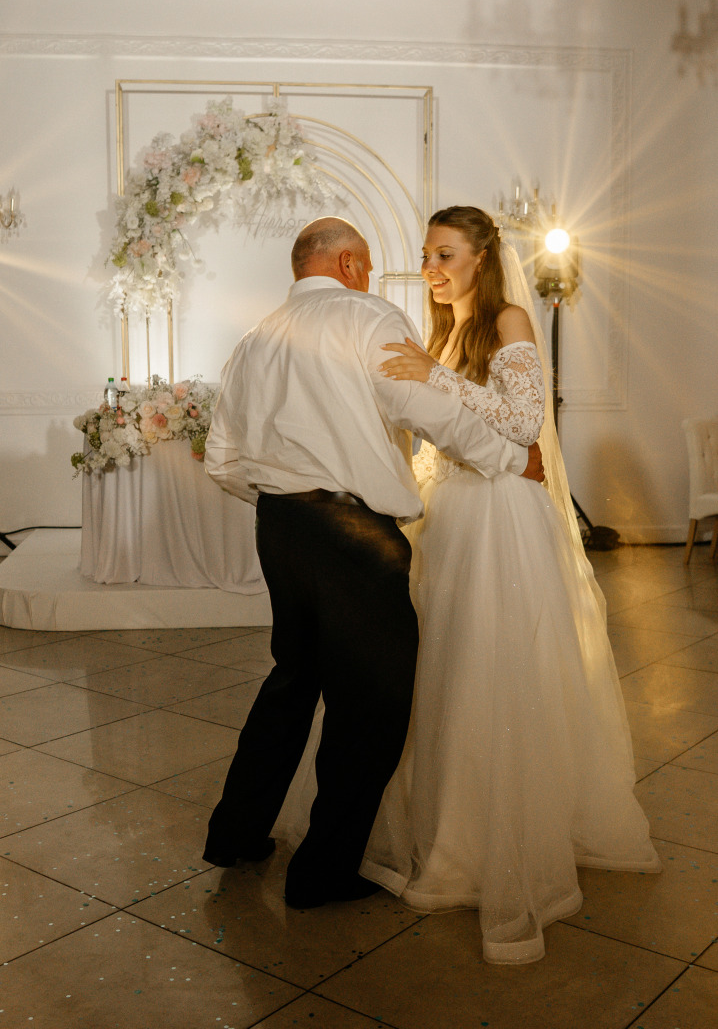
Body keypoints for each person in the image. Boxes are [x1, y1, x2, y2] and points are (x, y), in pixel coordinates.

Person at [275, 207, 660, 959]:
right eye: (425, 254)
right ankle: (437, 822)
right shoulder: (437, 330)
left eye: (445, 254)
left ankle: (497, 840)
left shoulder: (510, 318)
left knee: (490, 669)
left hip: (499, 520)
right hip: (447, 515)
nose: (431, 267)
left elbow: (523, 425)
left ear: (482, 258)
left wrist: (438, 375)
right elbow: (435, 432)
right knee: (431, 676)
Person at [201, 216, 544, 911]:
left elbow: (223, 457)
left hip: (280, 523)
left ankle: (234, 835)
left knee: (292, 680)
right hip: (352, 530)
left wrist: (281, 498)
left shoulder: (253, 339)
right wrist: (512, 457)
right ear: (352, 264)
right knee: (372, 707)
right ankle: (323, 875)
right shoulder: (366, 317)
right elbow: (427, 410)